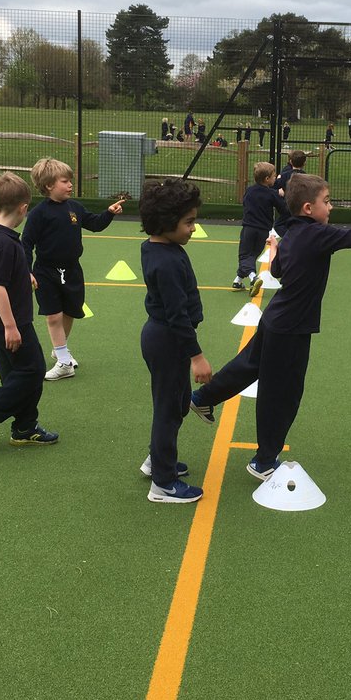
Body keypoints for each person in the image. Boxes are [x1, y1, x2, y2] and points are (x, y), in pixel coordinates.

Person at [190, 175, 351, 479]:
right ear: (308, 207)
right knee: (283, 393)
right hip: (291, 328)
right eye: (326, 201)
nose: (330, 207)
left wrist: (275, 246)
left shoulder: (291, 233)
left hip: (275, 319)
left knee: (248, 366)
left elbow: (276, 268)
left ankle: (201, 399)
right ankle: (263, 461)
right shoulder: (318, 234)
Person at [0, 171, 58, 451]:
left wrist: (23, 276)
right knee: (33, 370)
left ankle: (24, 427)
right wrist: (10, 326)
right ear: (24, 209)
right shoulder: (6, 243)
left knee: (13, 372)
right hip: (11, 321)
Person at [138, 178, 210, 504]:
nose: (194, 228)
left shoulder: (162, 247)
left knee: (179, 404)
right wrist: (196, 356)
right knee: (168, 410)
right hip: (168, 340)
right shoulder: (165, 261)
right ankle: (163, 484)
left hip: (167, 339)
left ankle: (158, 459)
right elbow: (177, 315)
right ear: (166, 223)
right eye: (188, 222)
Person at [22, 157, 125, 381]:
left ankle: (61, 350)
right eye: (65, 181)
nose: (70, 185)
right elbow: (26, 243)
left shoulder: (74, 207)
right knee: (53, 315)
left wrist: (109, 213)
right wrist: (27, 270)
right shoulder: (39, 213)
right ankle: (64, 361)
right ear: (49, 185)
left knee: (70, 312)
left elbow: (95, 224)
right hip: (45, 272)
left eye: (70, 181)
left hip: (72, 271)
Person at [235, 162, 287, 296]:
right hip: (263, 230)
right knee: (252, 254)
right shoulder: (272, 194)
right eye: (274, 176)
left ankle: (253, 278)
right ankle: (238, 280)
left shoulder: (250, 191)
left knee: (245, 254)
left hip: (249, 227)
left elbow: (245, 203)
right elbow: (284, 210)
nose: (276, 179)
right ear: (267, 179)